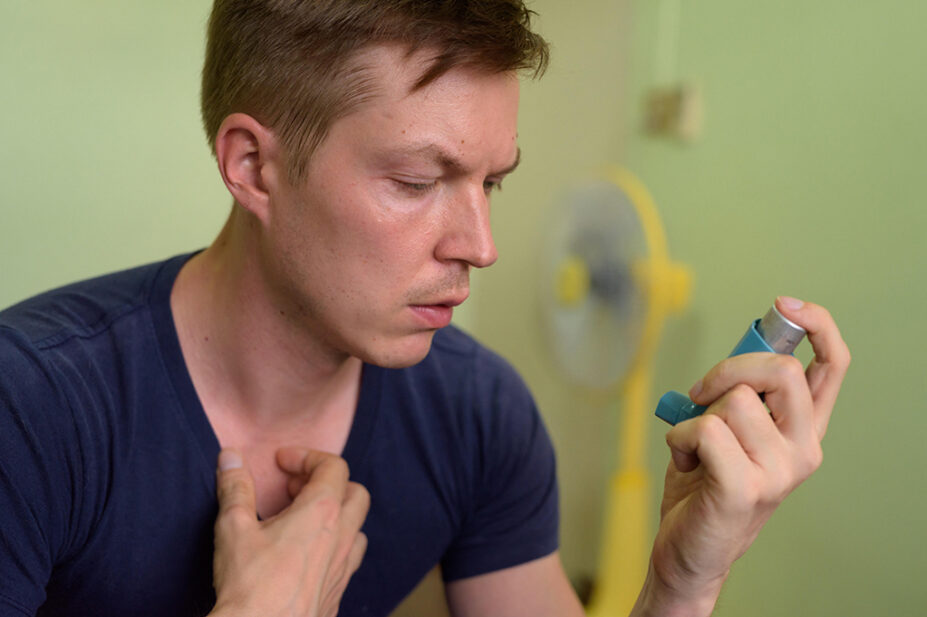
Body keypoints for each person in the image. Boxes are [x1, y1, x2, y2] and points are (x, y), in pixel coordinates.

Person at [0, 1, 850, 616]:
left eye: (492, 182)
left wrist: (680, 585)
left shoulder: (477, 411)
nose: (479, 245)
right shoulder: (30, 410)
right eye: (416, 182)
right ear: (252, 166)